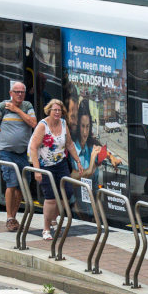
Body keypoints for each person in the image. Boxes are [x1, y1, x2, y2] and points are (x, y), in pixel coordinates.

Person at [0, 81, 36, 232]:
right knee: (11, 183)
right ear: (10, 93)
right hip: (6, 152)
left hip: (22, 153)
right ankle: (9, 217)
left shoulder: (27, 106)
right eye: (16, 91)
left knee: (21, 185)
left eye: (22, 92)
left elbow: (33, 123)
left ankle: (13, 216)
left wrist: (17, 110)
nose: (19, 94)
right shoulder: (3, 106)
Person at [28, 99, 84, 241]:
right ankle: (46, 229)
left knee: (67, 192)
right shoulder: (43, 125)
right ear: (49, 111)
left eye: (59, 110)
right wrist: (37, 170)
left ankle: (54, 218)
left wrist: (78, 161)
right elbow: (33, 147)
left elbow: (69, 144)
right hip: (45, 165)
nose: (57, 112)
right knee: (51, 197)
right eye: (55, 110)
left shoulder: (63, 124)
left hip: (60, 163)